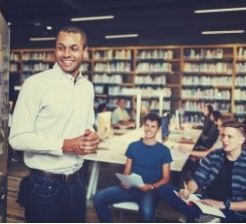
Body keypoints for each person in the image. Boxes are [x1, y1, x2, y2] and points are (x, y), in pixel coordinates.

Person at [9, 25, 100, 223]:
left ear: (85, 51)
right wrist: (64, 144)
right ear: (55, 50)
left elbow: (88, 123)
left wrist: (90, 136)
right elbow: (17, 138)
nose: (66, 54)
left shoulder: (87, 87)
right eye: (61, 47)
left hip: (77, 183)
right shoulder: (35, 84)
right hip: (44, 187)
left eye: (74, 48)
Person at [157, 120, 246, 222]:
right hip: (205, 203)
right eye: (223, 135)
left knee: (197, 216)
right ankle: (202, 216)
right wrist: (188, 191)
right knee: (164, 189)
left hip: (232, 211)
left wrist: (221, 204)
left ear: (241, 140)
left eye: (230, 137)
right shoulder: (214, 155)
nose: (224, 140)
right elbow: (197, 179)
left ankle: (199, 216)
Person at [93, 113, 172, 222]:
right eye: (147, 125)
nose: (149, 129)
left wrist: (151, 186)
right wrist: (125, 181)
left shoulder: (164, 151)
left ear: (158, 129)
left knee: (147, 213)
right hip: (132, 187)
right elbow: (126, 171)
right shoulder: (133, 146)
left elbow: (166, 178)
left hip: (150, 191)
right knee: (98, 198)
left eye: (153, 126)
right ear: (143, 126)